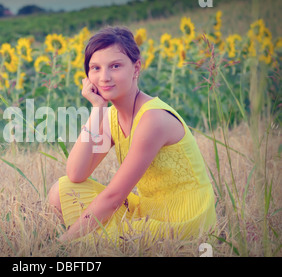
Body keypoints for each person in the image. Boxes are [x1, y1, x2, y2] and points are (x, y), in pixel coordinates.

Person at [47, 26, 217, 244]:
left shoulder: (153, 118)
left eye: (115, 66)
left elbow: (114, 197)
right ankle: (94, 238)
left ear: (136, 68)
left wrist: (61, 244)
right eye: (95, 68)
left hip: (184, 219)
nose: (104, 77)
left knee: (104, 237)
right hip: (149, 209)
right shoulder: (109, 117)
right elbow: (76, 173)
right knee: (62, 191)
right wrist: (97, 109)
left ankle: (86, 240)